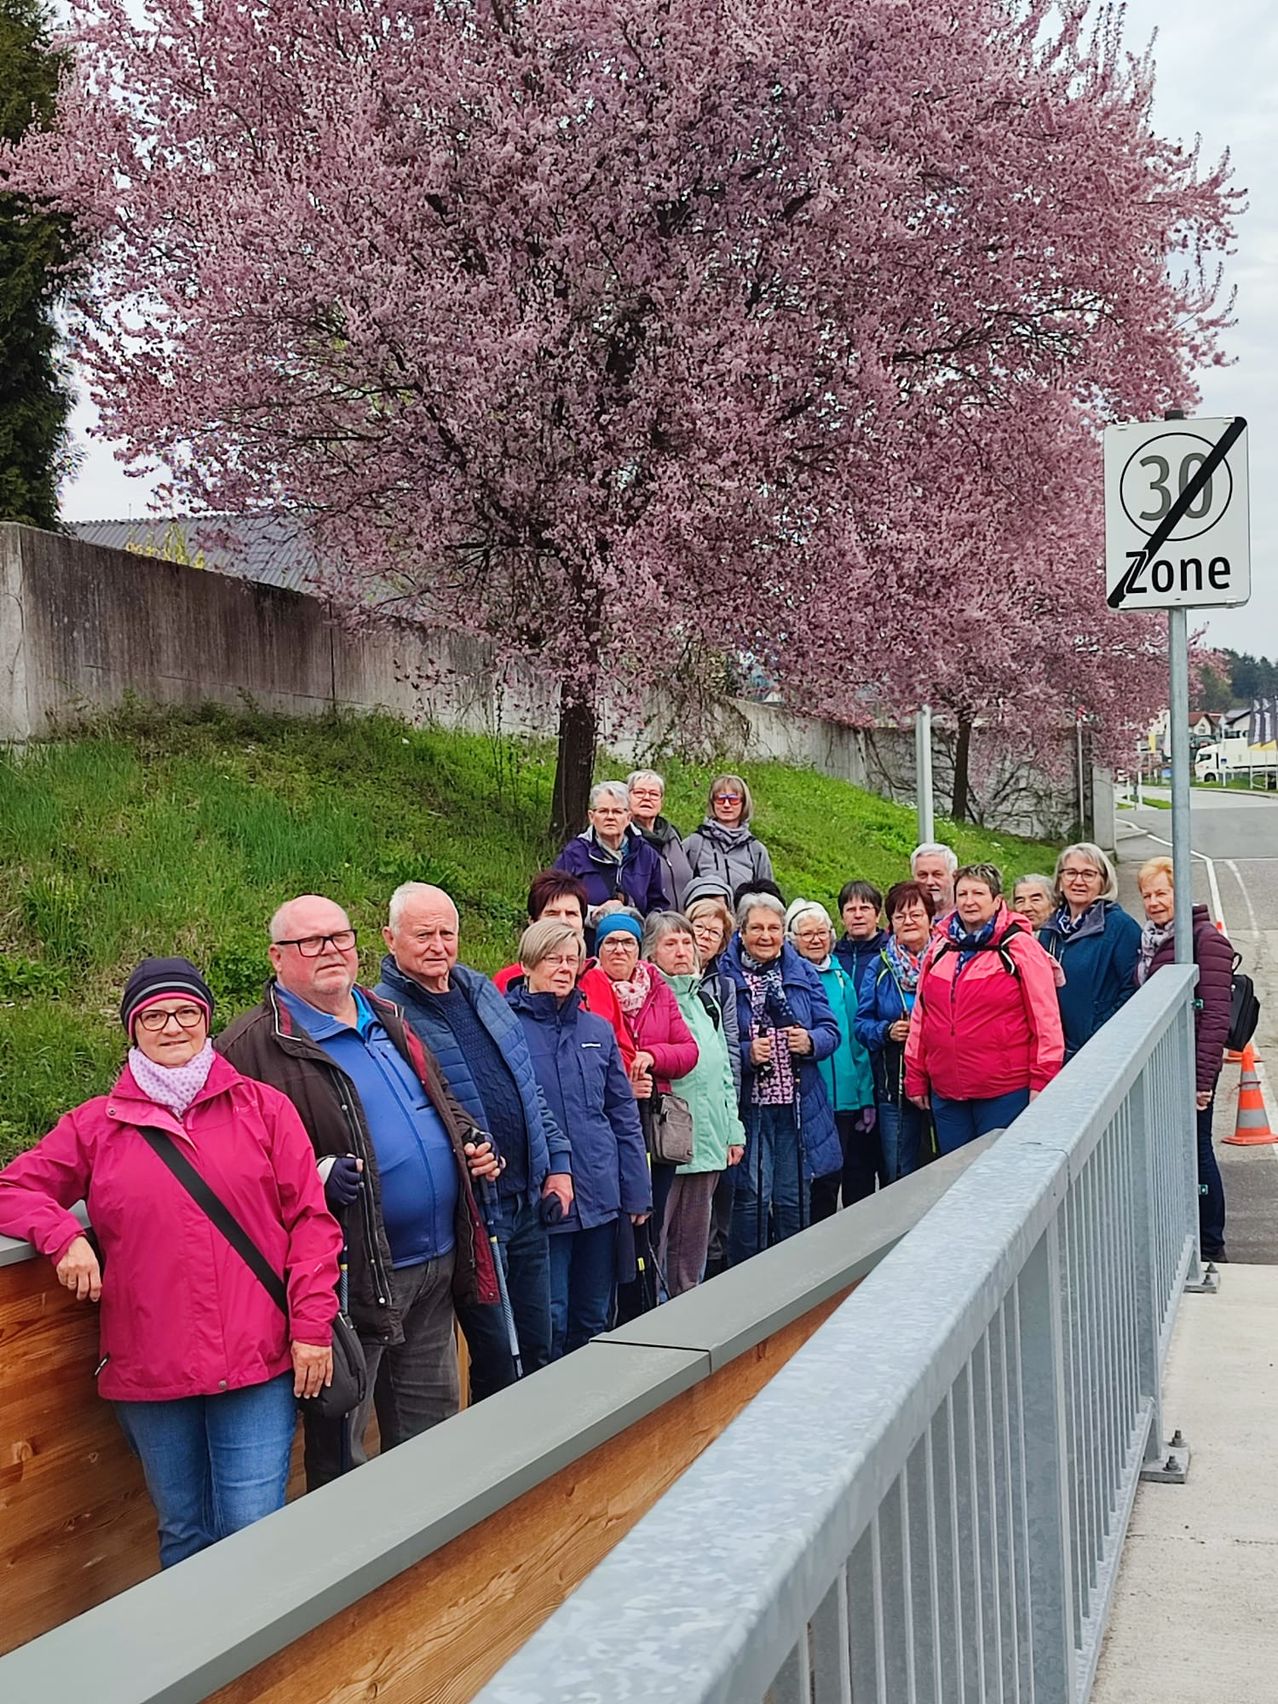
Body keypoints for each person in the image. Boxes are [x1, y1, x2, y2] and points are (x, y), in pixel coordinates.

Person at [0, 957, 341, 1567]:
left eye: (186, 1012)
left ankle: (259, 1661)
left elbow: (311, 1226)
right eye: (153, 1015)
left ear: (206, 1020)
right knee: (184, 1532)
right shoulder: (96, 1125)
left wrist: (312, 1327)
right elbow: (13, 1188)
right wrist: (61, 1235)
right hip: (150, 1366)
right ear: (133, 1028)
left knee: (251, 1531)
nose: (172, 1026)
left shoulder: (263, 1109)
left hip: (257, 1360)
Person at [217, 895, 500, 1490]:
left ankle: (432, 1553)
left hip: (435, 1263)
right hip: (351, 1276)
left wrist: (468, 1140)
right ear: (276, 957)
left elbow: (438, 1100)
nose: (329, 951)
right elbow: (225, 1163)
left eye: (339, 937)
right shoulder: (249, 1047)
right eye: (309, 942)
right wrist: (314, 1175)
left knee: (432, 1431)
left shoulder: (386, 1016)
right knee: (344, 1454)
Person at [375, 882, 573, 1396]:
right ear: (389, 938)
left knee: (539, 1343)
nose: (438, 945)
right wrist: (462, 1150)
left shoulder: (480, 990)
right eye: (423, 934)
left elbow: (527, 1087)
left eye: (447, 932)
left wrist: (558, 1163)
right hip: (474, 1216)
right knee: (497, 1357)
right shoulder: (385, 1017)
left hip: (528, 1200)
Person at [505, 919, 650, 1354]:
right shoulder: (506, 1030)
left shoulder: (597, 1029)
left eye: (571, 960)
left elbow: (622, 1113)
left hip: (602, 1195)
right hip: (545, 1201)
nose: (564, 968)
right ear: (528, 964)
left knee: (593, 1315)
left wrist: (636, 1191)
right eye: (553, 958)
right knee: (549, 1316)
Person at [905, 863, 1064, 1154]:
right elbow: (921, 1018)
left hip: (1004, 1092)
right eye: (962, 893)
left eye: (978, 893)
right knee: (954, 1179)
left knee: (1000, 1179)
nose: (969, 901)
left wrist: (1044, 1080)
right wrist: (914, 1074)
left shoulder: (1018, 948)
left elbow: (1046, 1021)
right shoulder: (940, 948)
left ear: (996, 899)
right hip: (948, 1091)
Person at [721, 892, 841, 1262]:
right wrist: (745, 1053)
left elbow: (830, 1030)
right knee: (753, 1197)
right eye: (756, 927)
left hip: (797, 1104)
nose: (765, 936)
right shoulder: (723, 973)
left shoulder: (802, 970)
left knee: (794, 1195)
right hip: (750, 1107)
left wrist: (809, 1041)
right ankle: (749, 1280)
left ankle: (796, 1276)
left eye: (773, 928)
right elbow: (712, 1041)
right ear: (741, 932)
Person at [1135, 856, 1232, 1261]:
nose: (1154, 902)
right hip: (1160, 1066)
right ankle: (1183, 1238)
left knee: (1197, 1154)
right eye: (1147, 895)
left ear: (1181, 893)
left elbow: (1213, 1019)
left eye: (1162, 893)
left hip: (1189, 1068)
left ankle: (1211, 1245)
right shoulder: (1155, 939)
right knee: (1172, 1153)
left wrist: (1202, 1080)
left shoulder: (1203, 940)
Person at [643, 912, 745, 1293]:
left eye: (687, 942)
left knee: (692, 1252)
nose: (683, 951)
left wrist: (733, 1131)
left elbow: (723, 1073)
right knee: (658, 1244)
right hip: (666, 1146)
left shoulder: (705, 1002)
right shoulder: (649, 1002)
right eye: (671, 944)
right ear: (651, 953)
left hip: (708, 1141)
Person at [594, 910, 699, 1236]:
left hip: (655, 1120)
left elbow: (688, 1050)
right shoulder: (588, 989)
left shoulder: (656, 988)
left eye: (628, 942)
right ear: (598, 949)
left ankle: (649, 1285)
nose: (619, 950)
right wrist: (626, 1077)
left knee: (652, 1224)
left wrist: (651, 1056)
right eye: (610, 942)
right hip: (611, 1118)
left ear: (639, 949)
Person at [785, 899, 877, 1216]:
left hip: (846, 1098)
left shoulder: (840, 977)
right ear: (792, 939)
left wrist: (865, 1096)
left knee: (841, 1177)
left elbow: (855, 1041)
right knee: (814, 1181)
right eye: (806, 933)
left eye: (822, 932)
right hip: (811, 1096)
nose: (815, 939)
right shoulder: (788, 977)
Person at [493, 869, 636, 1072]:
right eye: (552, 913)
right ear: (532, 923)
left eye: (571, 914)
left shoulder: (597, 980)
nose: (563, 921)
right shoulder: (507, 981)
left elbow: (624, 1048)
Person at [855, 882, 937, 1182]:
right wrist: (888, 1030)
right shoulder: (880, 966)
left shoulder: (946, 959)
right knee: (900, 1173)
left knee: (945, 1166)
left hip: (942, 1084)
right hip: (894, 1086)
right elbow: (861, 1025)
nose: (909, 922)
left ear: (930, 918)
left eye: (916, 914)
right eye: (900, 916)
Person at [684, 881, 742, 1278]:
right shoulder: (663, 981)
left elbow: (729, 1054)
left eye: (713, 932)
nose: (704, 938)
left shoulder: (722, 986)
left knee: (708, 1216)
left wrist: (730, 1118)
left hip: (716, 1115)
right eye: (698, 929)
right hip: (678, 1119)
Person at [1037, 844, 1141, 1059]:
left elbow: (1133, 989)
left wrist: (1099, 1033)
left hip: (1101, 1050)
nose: (1078, 881)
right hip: (1057, 1050)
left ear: (1104, 881)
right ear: (1060, 879)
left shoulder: (1119, 926)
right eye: (1071, 873)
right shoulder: (1051, 930)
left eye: (1088, 874)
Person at [554, 782, 668, 918]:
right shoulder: (574, 854)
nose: (610, 817)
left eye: (617, 812)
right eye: (603, 811)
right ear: (591, 817)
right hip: (586, 936)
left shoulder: (646, 855)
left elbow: (657, 905)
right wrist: (593, 915)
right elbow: (555, 899)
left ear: (628, 818)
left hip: (635, 937)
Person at [683, 774, 775, 894]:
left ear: (743, 803)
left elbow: (768, 896)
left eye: (733, 799)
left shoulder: (755, 850)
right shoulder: (694, 844)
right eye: (720, 799)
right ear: (713, 803)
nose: (726, 805)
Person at [628, 769, 693, 909]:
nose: (647, 798)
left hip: (681, 925)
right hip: (648, 925)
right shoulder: (626, 838)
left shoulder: (673, 835)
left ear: (661, 801)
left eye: (654, 794)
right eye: (639, 793)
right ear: (627, 798)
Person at [832, 880, 887, 990]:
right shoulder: (832, 956)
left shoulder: (890, 954)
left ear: (878, 915)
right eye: (851, 910)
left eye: (864, 908)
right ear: (842, 917)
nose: (858, 915)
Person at [910, 842, 958, 917]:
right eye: (923, 875)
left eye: (937, 875)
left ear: (954, 877)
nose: (930, 882)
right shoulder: (905, 918)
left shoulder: (968, 914)